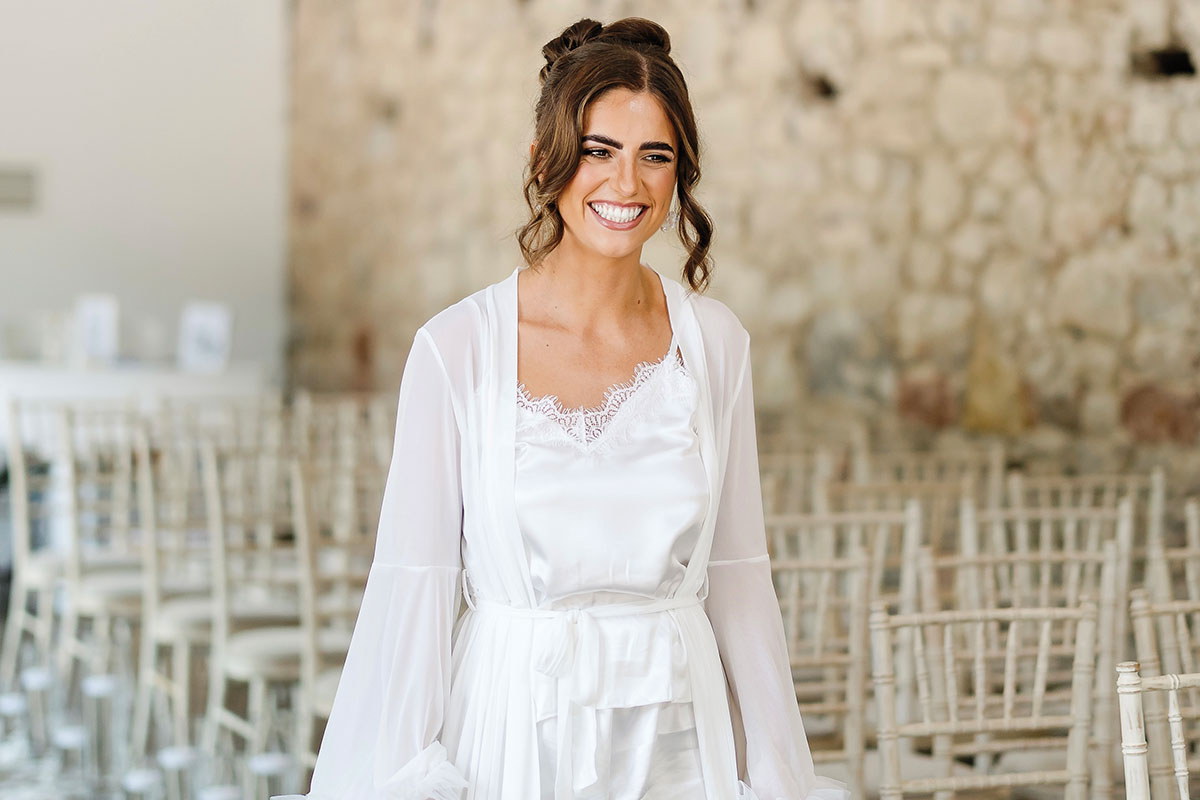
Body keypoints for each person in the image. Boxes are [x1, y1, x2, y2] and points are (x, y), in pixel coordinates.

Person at [295, 16, 847, 800]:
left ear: (680, 175)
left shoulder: (714, 344)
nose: (627, 185)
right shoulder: (457, 349)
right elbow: (413, 590)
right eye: (600, 152)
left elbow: (740, 579)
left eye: (655, 156)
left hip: (680, 739)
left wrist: (779, 776)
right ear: (545, 161)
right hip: (518, 736)